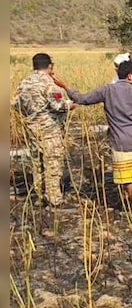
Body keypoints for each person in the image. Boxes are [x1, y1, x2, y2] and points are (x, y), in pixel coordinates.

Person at [64, 60, 132, 218]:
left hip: (121, 142)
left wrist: (67, 87)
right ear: (130, 76)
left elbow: (83, 99)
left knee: (130, 179)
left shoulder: (108, 90)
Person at [12, 53, 76, 207]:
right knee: (53, 164)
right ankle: (54, 199)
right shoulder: (49, 84)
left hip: (32, 130)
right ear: (50, 66)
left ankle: (40, 196)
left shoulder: (24, 83)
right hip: (50, 131)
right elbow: (59, 105)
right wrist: (71, 105)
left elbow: (16, 105)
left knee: (37, 164)